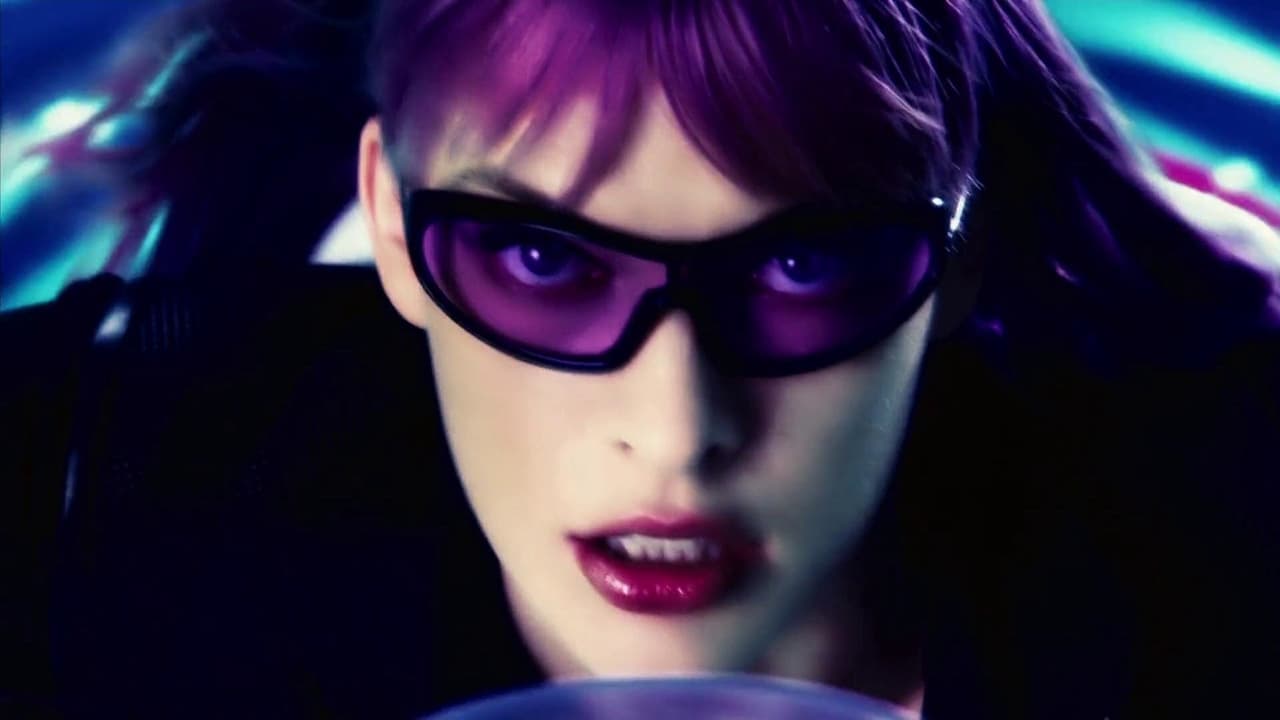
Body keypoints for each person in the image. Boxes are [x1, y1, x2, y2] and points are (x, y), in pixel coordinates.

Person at [2, 0, 1278, 718]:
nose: (675, 430)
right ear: (392, 227)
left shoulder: (1218, 548)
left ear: (957, 264)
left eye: (802, 265)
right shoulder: (103, 485)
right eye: (542, 260)